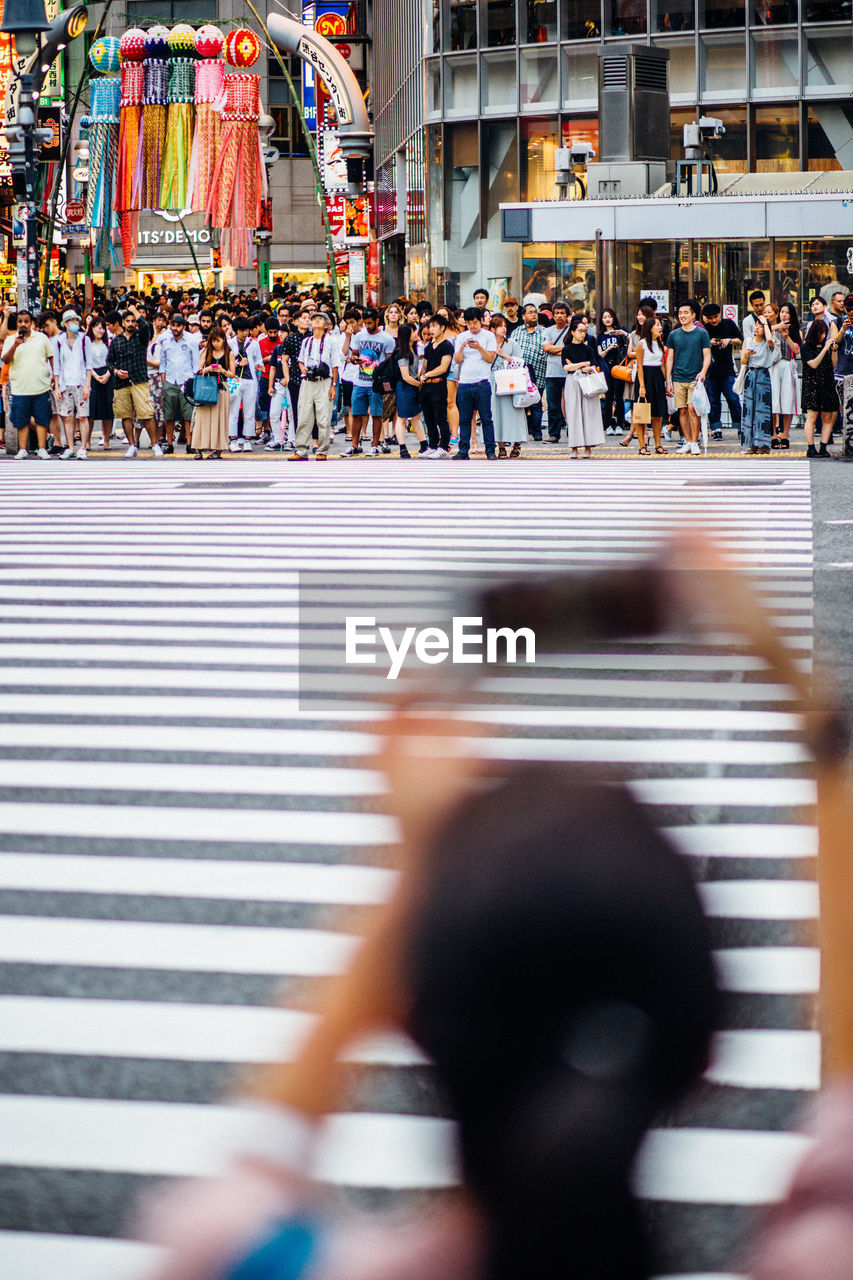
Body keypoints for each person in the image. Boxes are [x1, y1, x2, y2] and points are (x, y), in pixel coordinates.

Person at [1, 308, 55, 459]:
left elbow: (50, 356)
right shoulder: (11, 339)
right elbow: (5, 359)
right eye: (20, 321)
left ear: (31, 323)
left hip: (41, 386)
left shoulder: (41, 338)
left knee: (42, 418)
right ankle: (22, 449)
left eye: (26, 321)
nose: (23, 324)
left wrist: (54, 377)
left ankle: (42, 448)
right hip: (19, 387)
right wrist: (15, 345)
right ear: (17, 323)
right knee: (21, 420)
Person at [107, 304, 159, 458]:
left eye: (132, 321)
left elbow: (146, 327)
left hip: (139, 380)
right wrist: (116, 371)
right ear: (123, 323)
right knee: (125, 415)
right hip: (121, 383)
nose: (130, 323)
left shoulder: (141, 337)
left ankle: (155, 444)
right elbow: (109, 362)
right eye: (127, 321)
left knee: (147, 413)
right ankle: (131, 445)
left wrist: (135, 311)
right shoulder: (116, 341)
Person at [342, 307, 395, 457]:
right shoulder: (359, 336)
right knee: (357, 413)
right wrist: (354, 360)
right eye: (365, 323)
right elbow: (354, 355)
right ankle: (354, 445)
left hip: (375, 383)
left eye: (370, 323)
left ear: (377, 321)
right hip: (359, 380)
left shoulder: (387, 339)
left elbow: (389, 362)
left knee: (376, 414)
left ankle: (375, 444)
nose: (367, 326)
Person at [289, 312, 339, 461]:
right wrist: (302, 367)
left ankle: (322, 450)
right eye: (314, 319)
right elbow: (300, 360)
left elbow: (335, 365)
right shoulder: (307, 341)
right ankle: (301, 450)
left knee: (323, 418)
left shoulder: (331, 341)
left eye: (320, 319)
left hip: (324, 381)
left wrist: (333, 385)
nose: (316, 322)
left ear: (326, 325)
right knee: (304, 416)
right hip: (307, 381)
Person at [664, 300, 711, 455]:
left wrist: (703, 372)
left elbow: (707, 356)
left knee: (692, 409)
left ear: (693, 315)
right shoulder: (673, 335)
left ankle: (694, 441)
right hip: (678, 377)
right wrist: (668, 380)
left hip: (695, 378)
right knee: (682, 410)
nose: (682, 316)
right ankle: (688, 441)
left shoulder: (701, 333)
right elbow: (669, 358)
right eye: (680, 313)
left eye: (685, 313)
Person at [454, 306, 497, 460]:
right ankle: (463, 450)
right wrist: (461, 348)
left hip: (482, 381)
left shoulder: (489, 336)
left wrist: (478, 347)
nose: (472, 326)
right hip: (465, 382)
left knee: (486, 417)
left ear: (481, 321)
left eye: (475, 322)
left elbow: (490, 358)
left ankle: (490, 450)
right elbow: (458, 360)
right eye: (469, 323)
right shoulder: (461, 337)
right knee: (464, 418)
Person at [562, 313, 605, 458]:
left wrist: (575, 366)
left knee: (589, 413)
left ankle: (588, 447)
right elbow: (566, 368)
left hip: (586, 381)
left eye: (584, 331)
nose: (582, 333)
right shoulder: (566, 349)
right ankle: (573, 448)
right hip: (572, 382)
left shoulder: (588, 349)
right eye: (579, 330)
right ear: (572, 332)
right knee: (573, 414)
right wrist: (582, 365)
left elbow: (591, 367)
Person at [54, 308, 93, 459]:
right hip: (65, 383)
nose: (75, 323)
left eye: (76, 320)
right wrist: (57, 386)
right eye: (71, 320)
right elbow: (57, 366)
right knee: (67, 417)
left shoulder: (84, 340)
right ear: (65, 323)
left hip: (81, 382)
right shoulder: (59, 341)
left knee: (83, 417)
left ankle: (83, 447)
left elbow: (89, 364)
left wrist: (87, 385)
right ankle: (70, 447)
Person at [159, 314, 201, 454]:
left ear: (183, 326)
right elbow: (163, 363)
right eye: (173, 325)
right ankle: (169, 443)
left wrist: (192, 380)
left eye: (178, 326)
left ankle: (190, 443)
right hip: (170, 380)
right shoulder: (166, 340)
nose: (175, 328)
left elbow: (195, 363)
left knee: (188, 415)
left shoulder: (191, 340)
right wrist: (164, 381)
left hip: (186, 381)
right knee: (169, 415)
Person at [738, 307, 777, 454]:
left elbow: (769, 339)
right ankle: (751, 443)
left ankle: (764, 444)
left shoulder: (768, 343)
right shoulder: (747, 341)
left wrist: (766, 324)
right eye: (756, 326)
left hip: (762, 375)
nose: (757, 328)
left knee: (763, 410)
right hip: (750, 374)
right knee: (749, 410)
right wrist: (747, 355)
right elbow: (742, 361)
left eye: (760, 326)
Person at [700, 303, 742, 442]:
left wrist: (728, 340)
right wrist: (709, 342)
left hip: (727, 369)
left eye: (716, 317)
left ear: (720, 314)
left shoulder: (729, 324)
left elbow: (740, 340)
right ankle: (716, 428)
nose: (714, 320)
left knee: (733, 398)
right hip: (710, 372)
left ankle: (739, 426)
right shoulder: (704, 329)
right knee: (713, 401)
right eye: (710, 318)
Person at [489, 314, 529, 458]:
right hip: (494, 380)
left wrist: (503, 355)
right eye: (500, 326)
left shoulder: (512, 343)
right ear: (493, 329)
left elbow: (520, 361)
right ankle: (500, 445)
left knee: (514, 411)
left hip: (511, 380)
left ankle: (517, 443)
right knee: (496, 412)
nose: (504, 329)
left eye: (505, 326)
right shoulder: (488, 343)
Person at [192, 326, 233, 460]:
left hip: (221, 387)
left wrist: (222, 370)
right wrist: (208, 368)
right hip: (207, 386)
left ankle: (218, 450)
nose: (216, 343)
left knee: (219, 419)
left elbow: (232, 374)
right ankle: (198, 449)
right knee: (201, 418)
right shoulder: (206, 351)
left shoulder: (229, 353)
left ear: (223, 340)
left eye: (218, 340)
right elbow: (198, 370)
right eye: (213, 340)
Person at [509, 302, 547, 441]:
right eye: (530, 312)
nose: (533, 314)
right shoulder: (517, 331)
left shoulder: (544, 331)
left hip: (538, 371)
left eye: (535, 312)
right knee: (521, 402)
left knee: (536, 401)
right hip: (521, 372)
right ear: (523, 316)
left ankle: (537, 432)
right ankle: (523, 432)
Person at [800, 317, 837, 458]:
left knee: (828, 417)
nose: (822, 336)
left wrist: (833, 350)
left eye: (824, 333)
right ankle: (811, 448)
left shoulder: (827, 347)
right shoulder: (806, 348)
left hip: (827, 384)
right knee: (812, 417)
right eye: (820, 333)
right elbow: (813, 364)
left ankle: (823, 446)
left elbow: (834, 364)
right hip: (812, 386)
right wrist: (825, 349)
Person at [419, 313, 454, 458]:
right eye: (430, 326)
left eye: (434, 326)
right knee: (428, 417)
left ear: (443, 327)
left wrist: (427, 375)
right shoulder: (429, 346)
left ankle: (444, 446)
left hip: (439, 384)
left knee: (440, 417)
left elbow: (443, 367)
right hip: (426, 385)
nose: (431, 329)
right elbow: (425, 366)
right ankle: (432, 445)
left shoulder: (447, 346)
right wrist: (421, 377)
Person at [767, 302, 800, 449]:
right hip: (773, 367)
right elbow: (763, 333)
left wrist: (787, 337)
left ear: (791, 315)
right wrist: (778, 328)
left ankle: (785, 435)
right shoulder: (772, 330)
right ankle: (773, 434)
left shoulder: (795, 332)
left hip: (788, 366)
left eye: (787, 313)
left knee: (788, 401)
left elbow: (797, 351)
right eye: (782, 312)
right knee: (773, 401)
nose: (784, 315)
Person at [228, 316, 263, 452]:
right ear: (236, 330)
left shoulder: (254, 344)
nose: (244, 333)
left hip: (250, 380)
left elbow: (258, 359)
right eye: (241, 330)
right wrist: (237, 363)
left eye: (246, 330)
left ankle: (247, 440)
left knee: (249, 412)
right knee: (233, 411)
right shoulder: (230, 344)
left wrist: (259, 365)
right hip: (234, 380)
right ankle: (233, 440)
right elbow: (227, 363)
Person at [634, 314, 668, 455]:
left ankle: (658, 445)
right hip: (645, 378)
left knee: (657, 414)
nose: (660, 328)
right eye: (657, 325)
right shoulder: (641, 344)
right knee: (642, 414)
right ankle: (642, 446)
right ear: (650, 328)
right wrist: (642, 386)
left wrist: (667, 382)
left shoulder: (660, 343)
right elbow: (640, 366)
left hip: (658, 379)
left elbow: (662, 364)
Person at [392, 323, 427, 457]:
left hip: (411, 387)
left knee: (416, 417)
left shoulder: (413, 350)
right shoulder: (403, 353)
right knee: (402, 418)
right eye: (414, 332)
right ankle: (403, 448)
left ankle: (424, 445)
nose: (416, 334)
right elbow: (405, 376)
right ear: (407, 335)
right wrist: (419, 384)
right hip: (405, 388)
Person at [542, 301, 571, 442]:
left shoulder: (572, 330)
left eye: (562, 313)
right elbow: (546, 348)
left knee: (571, 403)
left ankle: (573, 432)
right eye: (557, 313)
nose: (559, 316)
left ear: (567, 315)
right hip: (552, 372)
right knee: (553, 404)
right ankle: (554, 434)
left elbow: (572, 350)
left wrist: (555, 349)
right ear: (553, 316)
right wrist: (564, 349)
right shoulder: (547, 331)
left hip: (569, 372)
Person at [596, 308, 628, 436]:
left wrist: (623, 334)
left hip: (619, 367)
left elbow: (630, 342)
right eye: (604, 317)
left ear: (613, 318)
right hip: (606, 369)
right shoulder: (600, 336)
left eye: (609, 316)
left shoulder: (620, 332)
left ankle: (620, 424)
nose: (607, 319)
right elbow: (599, 355)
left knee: (619, 397)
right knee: (608, 397)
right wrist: (609, 348)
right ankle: (608, 424)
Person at [86, 316, 113, 450]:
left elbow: (113, 361)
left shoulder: (108, 343)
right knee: (91, 411)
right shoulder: (87, 343)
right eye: (98, 327)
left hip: (107, 375)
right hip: (92, 376)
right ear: (92, 328)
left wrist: (107, 374)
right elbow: (86, 363)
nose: (100, 330)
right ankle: (87, 440)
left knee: (108, 410)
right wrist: (96, 376)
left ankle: (106, 439)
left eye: (103, 328)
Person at [831, 293, 853, 457]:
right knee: (846, 409)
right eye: (849, 309)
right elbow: (833, 344)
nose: (851, 312)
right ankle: (848, 442)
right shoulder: (838, 322)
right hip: (842, 372)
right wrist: (842, 330)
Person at [147, 312, 168, 447]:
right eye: (157, 320)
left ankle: (160, 437)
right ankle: (152, 438)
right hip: (146, 377)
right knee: (147, 409)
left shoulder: (164, 338)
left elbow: (161, 363)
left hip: (158, 376)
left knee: (160, 409)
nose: (159, 323)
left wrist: (145, 361)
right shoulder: (149, 338)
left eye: (162, 320)